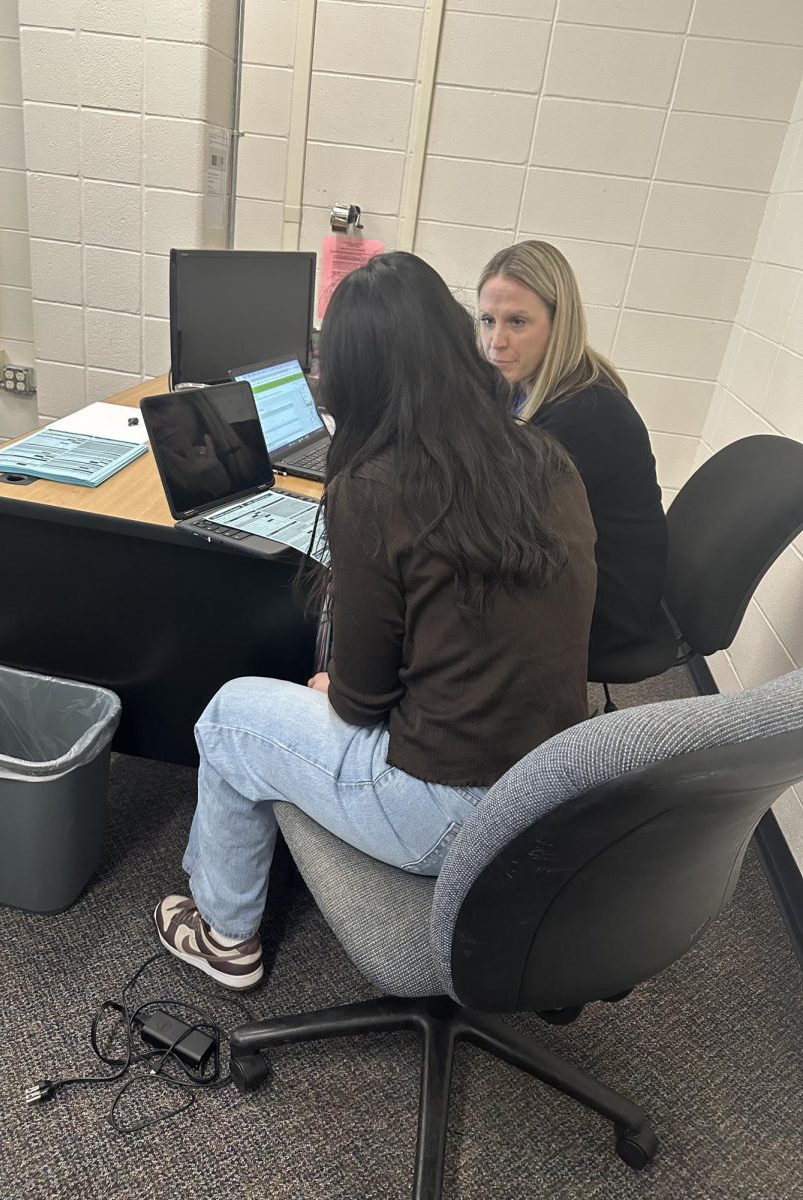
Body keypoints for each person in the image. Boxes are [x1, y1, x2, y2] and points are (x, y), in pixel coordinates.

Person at [154, 252, 597, 990]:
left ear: (351, 380)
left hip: (449, 812)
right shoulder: (545, 455)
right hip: (545, 789)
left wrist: (336, 685)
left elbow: (361, 701)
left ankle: (223, 934)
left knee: (231, 716)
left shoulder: (377, 484)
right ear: (458, 339)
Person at [477, 240, 668, 667]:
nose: (495, 341)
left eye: (518, 321)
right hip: (589, 578)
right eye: (488, 320)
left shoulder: (577, 418)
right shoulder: (547, 382)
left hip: (605, 615)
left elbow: (502, 534)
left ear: (558, 323)